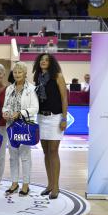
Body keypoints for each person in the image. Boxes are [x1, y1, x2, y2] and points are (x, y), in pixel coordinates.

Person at [33, 53, 68, 199]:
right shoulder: (37, 78)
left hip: (55, 117)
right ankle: (49, 184)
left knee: (53, 150)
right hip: (41, 117)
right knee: (46, 151)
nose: (43, 62)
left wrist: (64, 118)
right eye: (41, 60)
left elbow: (64, 97)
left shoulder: (58, 76)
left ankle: (56, 187)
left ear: (51, 62)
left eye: (46, 60)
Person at [2, 62, 39, 197]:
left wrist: (20, 113)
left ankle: (25, 184)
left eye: (20, 72)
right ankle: (14, 183)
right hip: (11, 125)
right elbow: (5, 106)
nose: (17, 74)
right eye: (15, 72)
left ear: (25, 74)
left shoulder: (31, 89)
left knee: (25, 156)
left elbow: (35, 108)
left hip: (25, 126)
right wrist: (5, 113)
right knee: (13, 157)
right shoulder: (9, 88)